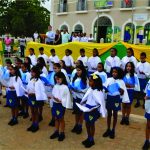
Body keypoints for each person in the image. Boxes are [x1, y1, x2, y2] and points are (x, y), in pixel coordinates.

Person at [80, 74, 106, 148]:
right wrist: (83, 103)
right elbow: (86, 98)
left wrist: (99, 110)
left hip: (93, 110)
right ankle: (88, 137)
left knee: (91, 124)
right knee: (87, 123)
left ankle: (92, 140)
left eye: (91, 81)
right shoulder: (90, 89)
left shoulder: (98, 91)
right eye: (89, 81)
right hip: (87, 109)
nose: (89, 83)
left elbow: (100, 102)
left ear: (95, 82)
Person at [103, 67, 128, 139]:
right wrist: (106, 89)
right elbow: (104, 88)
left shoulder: (121, 81)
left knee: (115, 114)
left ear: (119, 73)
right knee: (109, 114)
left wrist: (120, 90)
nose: (114, 73)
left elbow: (123, 93)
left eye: (116, 72)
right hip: (109, 98)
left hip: (116, 99)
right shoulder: (109, 79)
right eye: (113, 72)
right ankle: (108, 129)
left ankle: (113, 130)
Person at [50, 72, 72, 141]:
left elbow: (67, 97)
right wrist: (51, 98)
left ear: (62, 78)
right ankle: (56, 131)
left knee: (61, 119)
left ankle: (62, 133)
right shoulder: (55, 86)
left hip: (60, 105)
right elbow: (53, 93)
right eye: (56, 79)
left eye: (59, 79)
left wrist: (61, 100)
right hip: (55, 104)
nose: (57, 80)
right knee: (56, 118)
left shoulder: (65, 87)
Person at [26, 66, 47, 132]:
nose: (31, 73)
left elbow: (40, 91)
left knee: (36, 111)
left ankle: (36, 124)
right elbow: (29, 87)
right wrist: (27, 91)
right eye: (31, 72)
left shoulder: (39, 81)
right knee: (32, 111)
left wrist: (33, 93)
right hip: (30, 97)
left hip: (35, 98)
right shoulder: (31, 79)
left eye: (33, 72)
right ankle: (33, 123)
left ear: (36, 72)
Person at [70, 65, 88, 134]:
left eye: (79, 70)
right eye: (77, 70)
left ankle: (80, 126)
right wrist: (72, 89)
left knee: (81, 112)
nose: (77, 71)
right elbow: (72, 85)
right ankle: (76, 124)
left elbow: (87, 88)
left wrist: (80, 91)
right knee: (76, 112)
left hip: (82, 98)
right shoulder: (74, 78)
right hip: (75, 97)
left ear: (82, 71)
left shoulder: (85, 79)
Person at [142, 80, 150, 150]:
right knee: (148, 125)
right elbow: (146, 92)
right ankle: (147, 141)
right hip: (149, 106)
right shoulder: (149, 81)